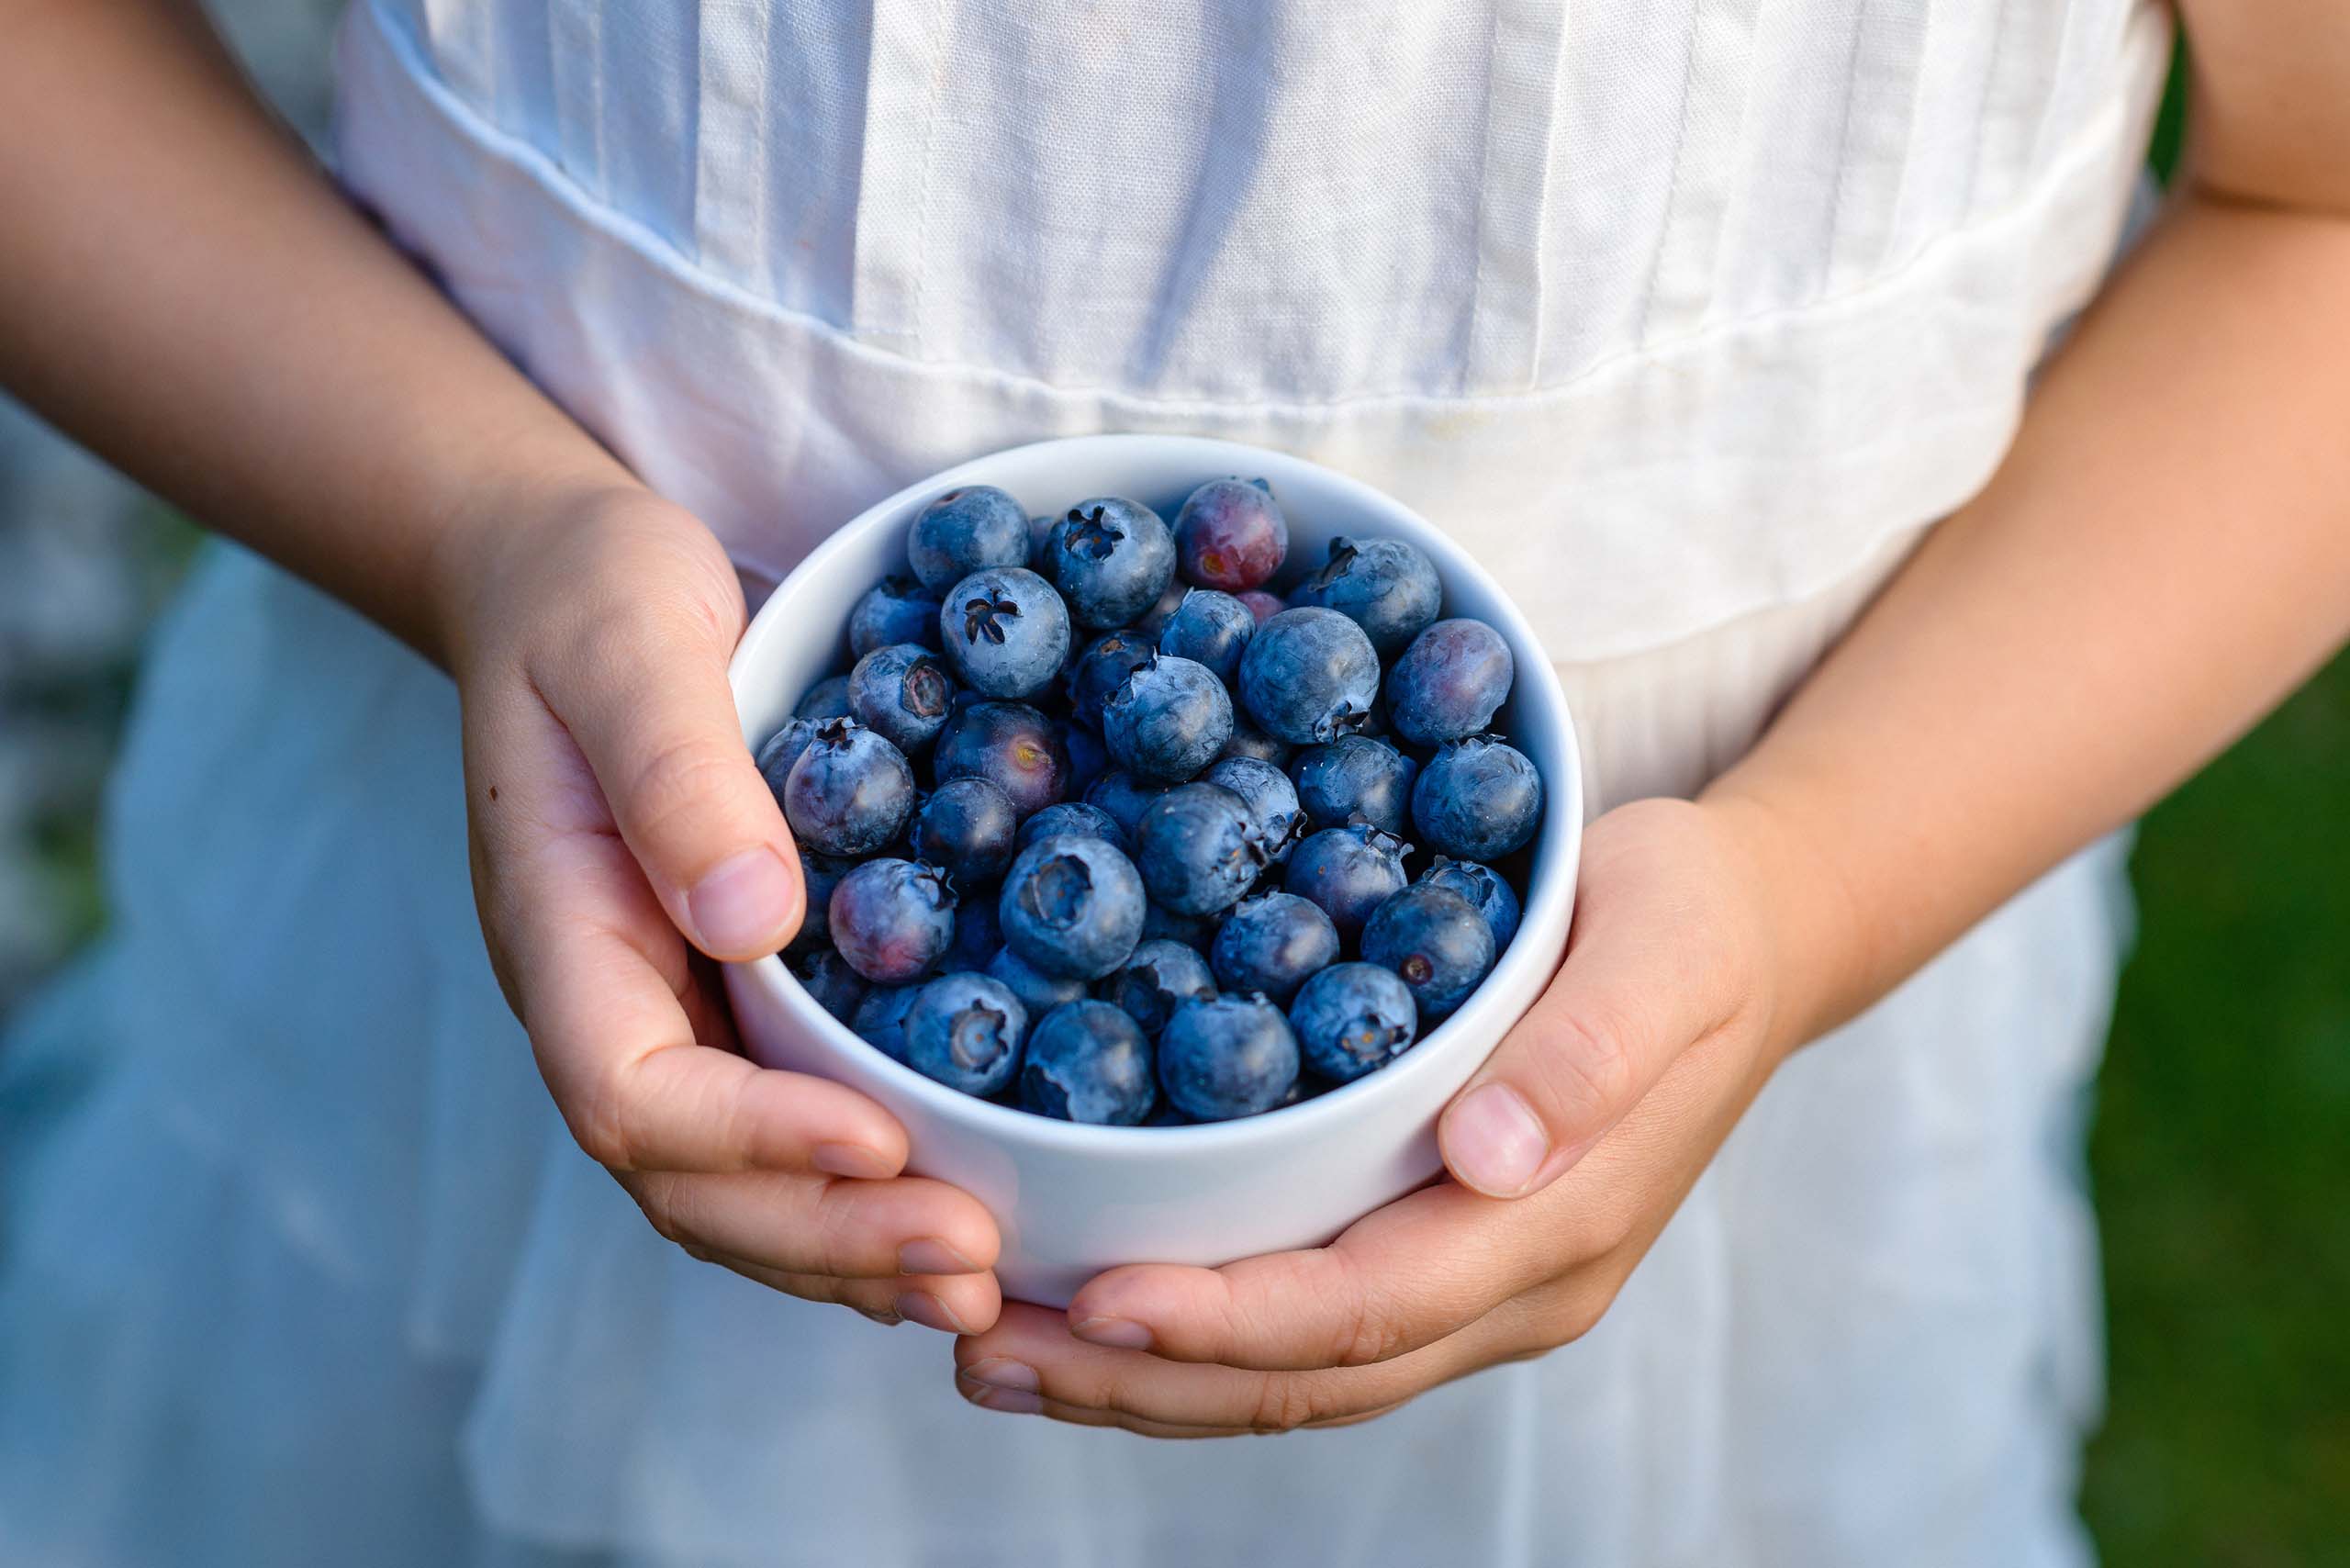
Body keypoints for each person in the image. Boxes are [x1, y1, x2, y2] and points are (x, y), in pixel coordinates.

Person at [3, 1, 2345, 1563]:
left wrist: (1817, 882)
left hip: (1719, 1014)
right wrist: (477, 525)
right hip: (504, 914)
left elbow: (2310, 206)